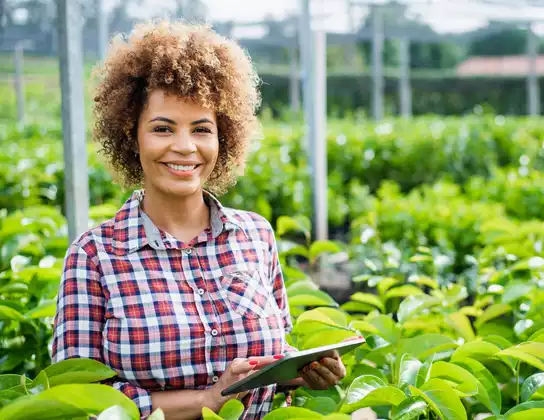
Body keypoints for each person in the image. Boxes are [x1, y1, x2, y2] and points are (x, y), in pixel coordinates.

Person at [51, 19, 347, 420]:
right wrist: (207, 401)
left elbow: (272, 355)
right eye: (162, 128)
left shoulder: (255, 235)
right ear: (130, 133)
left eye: (201, 129)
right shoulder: (94, 256)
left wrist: (301, 370)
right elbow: (77, 395)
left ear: (223, 137)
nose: (185, 147)